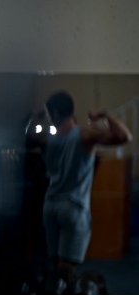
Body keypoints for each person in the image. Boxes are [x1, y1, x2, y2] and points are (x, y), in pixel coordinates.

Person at [27, 90, 132, 281]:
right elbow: (125, 136)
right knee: (67, 270)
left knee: (55, 266)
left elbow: (28, 135)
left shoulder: (46, 138)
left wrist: (36, 117)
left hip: (50, 207)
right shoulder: (85, 136)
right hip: (74, 209)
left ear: (55, 113)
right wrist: (104, 114)